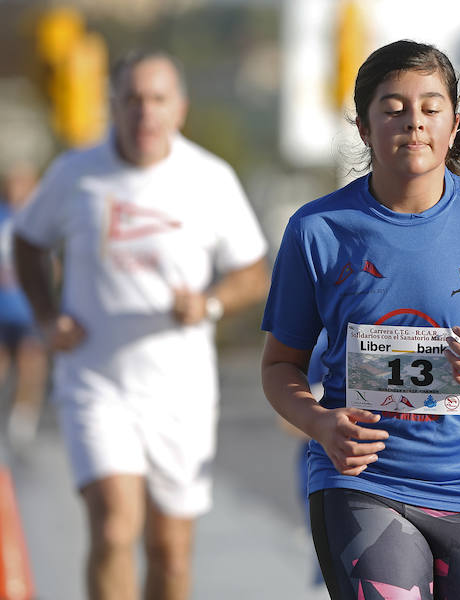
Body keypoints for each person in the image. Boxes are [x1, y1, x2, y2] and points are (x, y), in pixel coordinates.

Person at [260, 39, 460, 600]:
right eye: (393, 108)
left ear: (452, 125)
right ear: (362, 127)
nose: (414, 123)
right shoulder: (319, 230)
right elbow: (280, 364)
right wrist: (319, 424)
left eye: (431, 108)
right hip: (365, 480)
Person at [13, 50, 269, 600]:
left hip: (181, 390)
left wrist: (209, 304)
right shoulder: (75, 173)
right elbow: (28, 241)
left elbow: (253, 272)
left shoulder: (209, 178)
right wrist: (44, 316)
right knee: (111, 527)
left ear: (180, 108)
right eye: (132, 100)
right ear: (114, 106)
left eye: (158, 100)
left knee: (170, 555)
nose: (145, 113)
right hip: (95, 381)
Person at [0, 161, 49, 451]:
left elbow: (51, 266)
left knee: (31, 362)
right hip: (2, 308)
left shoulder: (39, 219)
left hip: (29, 308)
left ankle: (24, 415)